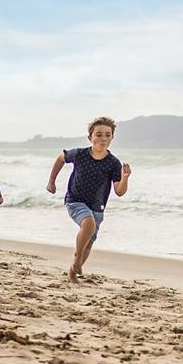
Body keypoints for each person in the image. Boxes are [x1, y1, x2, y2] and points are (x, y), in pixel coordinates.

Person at [46, 117, 131, 284]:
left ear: (112, 138)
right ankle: (77, 258)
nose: (103, 138)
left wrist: (125, 178)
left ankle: (72, 272)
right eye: (98, 134)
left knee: (89, 243)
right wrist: (51, 181)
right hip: (75, 200)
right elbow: (61, 158)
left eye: (107, 135)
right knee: (88, 224)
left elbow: (119, 191)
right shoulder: (80, 154)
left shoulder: (113, 163)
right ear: (90, 137)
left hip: (97, 207)